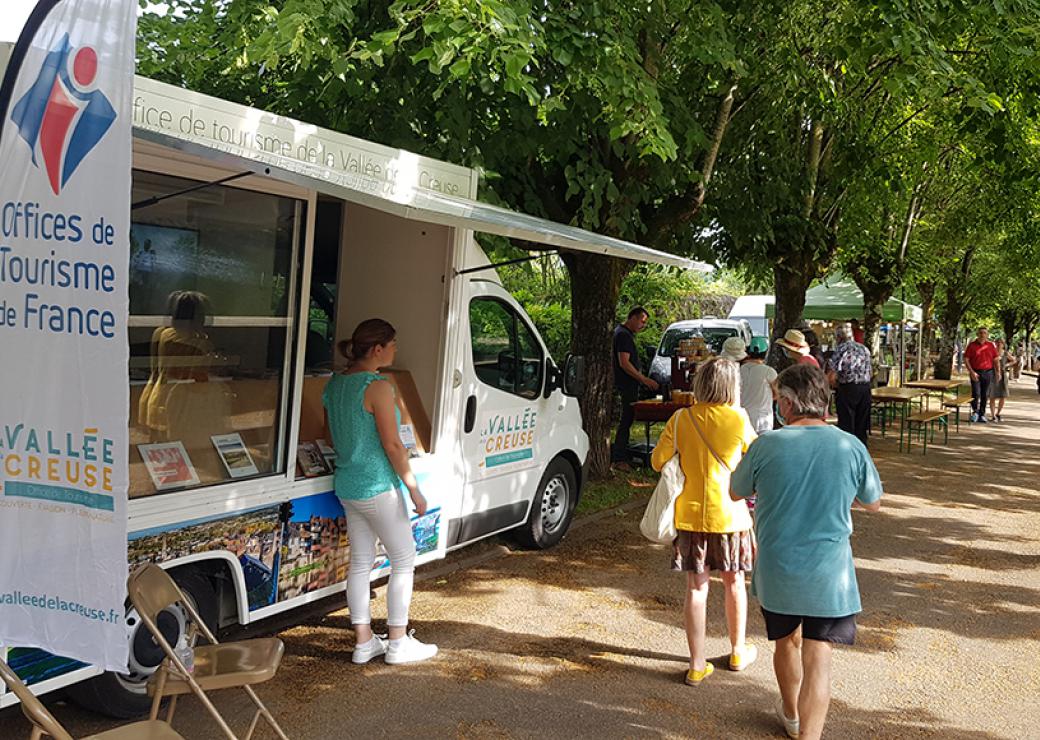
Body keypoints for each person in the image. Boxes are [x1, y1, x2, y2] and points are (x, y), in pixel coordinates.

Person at [731, 365, 882, 740]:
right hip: (830, 573)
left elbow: (736, 490)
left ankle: (791, 712)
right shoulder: (850, 445)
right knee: (819, 658)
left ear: (786, 403)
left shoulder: (767, 444)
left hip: (779, 567)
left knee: (786, 641)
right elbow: (873, 502)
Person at [322, 319, 437, 665]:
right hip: (377, 486)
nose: (396, 349)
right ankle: (398, 642)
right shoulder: (378, 387)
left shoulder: (335, 384)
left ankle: (364, 642)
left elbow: (330, 437)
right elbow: (391, 444)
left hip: (347, 484)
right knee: (404, 558)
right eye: (393, 344)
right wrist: (413, 488)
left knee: (360, 562)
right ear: (377, 349)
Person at [650, 358, 758, 687]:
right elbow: (754, 461)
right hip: (730, 515)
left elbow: (657, 461)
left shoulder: (681, 418)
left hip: (691, 515)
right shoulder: (738, 418)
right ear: (731, 386)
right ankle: (737, 651)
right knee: (735, 583)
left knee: (696, 589)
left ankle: (697, 664)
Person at [611, 306, 659, 465]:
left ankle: (621, 453)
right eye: (641, 321)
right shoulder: (623, 335)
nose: (642, 325)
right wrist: (643, 379)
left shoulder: (624, 334)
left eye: (645, 323)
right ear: (632, 317)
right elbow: (624, 363)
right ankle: (619, 457)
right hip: (625, 384)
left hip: (628, 384)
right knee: (626, 419)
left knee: (628, 419)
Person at [826, 323, 873, 445]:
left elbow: (832, 375)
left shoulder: (841, 349)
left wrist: (830, 386)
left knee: (847, 424)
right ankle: (862, 448)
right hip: (865, 388)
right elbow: (870, 372)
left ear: (838, 337)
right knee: (861, 424)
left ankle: (847, 448)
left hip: (848, 388)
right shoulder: (864, 349)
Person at [727, 337, 777, 434]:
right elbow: (778, 393)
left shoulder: (738, 370)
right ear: (766, 353)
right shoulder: (769, 372)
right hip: (762, 421)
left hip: (741, 418)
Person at [964, 327, 999, 423]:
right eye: (980, 333)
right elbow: (966, 359)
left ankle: (982, 414)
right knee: (976, 392)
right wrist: (971, 372)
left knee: (985, 394)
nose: (982, 335)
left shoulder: (991, 346)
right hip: (975, 372)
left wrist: (998, 372)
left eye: (984, 333)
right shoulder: (971, 345)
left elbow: (996, 359)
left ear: (987, 335)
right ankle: (975, 412)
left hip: (988, 372)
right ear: (977, 334)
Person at [987, 338, 1016, 422]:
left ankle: (998, 413)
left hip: (1003, 375)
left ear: (1003, 344)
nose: (999, 344)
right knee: (992, 395)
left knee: (1003, 396)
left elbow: (1014, 360)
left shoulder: (1005, 353)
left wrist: (1006, 365)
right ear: (995, 343)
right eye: (998, 342)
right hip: (993, 374)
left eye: (1001, 343)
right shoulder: (992, 352)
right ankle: (992, 415)